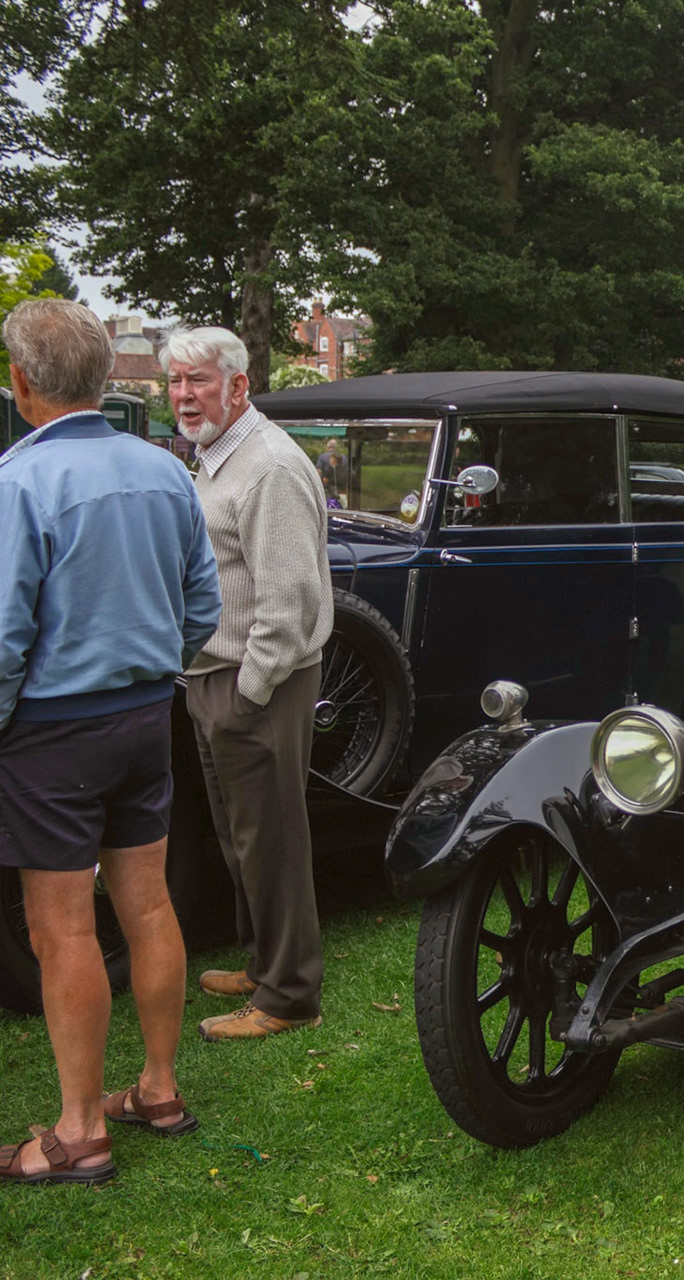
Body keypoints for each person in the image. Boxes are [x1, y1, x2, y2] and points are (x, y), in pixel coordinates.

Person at [0, 300, 221, 1184]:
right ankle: (158, 1089)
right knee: (148, 903)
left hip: (52, 730)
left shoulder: (18, 482)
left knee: (62, 931)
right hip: (143, 716)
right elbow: (202, 606)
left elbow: (5, 632)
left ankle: (80, 1129)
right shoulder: (166, 471)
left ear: (22, 384)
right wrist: (154, 663)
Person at [162, 326, 333, 1041]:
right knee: (243, 838)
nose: (182, 395)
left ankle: (288, 995)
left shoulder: (266, 465)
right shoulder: (215, 458)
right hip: (216, 678)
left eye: (198, 381)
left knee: (271, 840)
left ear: (238, 386)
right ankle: (266, 963)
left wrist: (248, 693)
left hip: (256, 682)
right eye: (174, 382)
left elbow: (288, 600)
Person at [314, 437, 343, 506]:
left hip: (328, 491)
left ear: (327, 447)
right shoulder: (343, 457)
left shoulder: (322, 457)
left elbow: (318, 471)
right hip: (342, 490)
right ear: (335, 447)